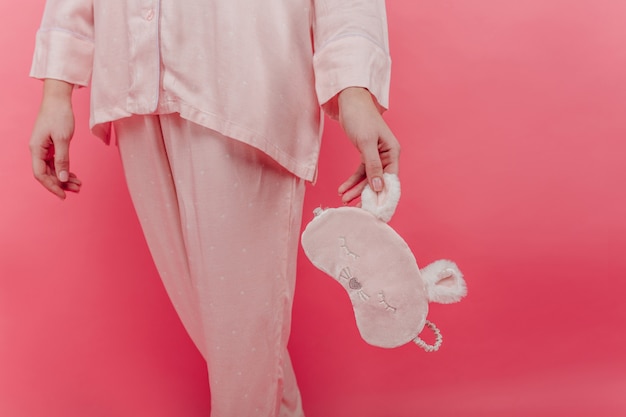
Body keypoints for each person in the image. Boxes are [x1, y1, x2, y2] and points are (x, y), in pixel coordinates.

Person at [28, 1, 400, 416]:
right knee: (233, 348)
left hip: (243, 86)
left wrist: (355, 92)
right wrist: (55, 90)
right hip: (133, 80)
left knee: (244, 344)